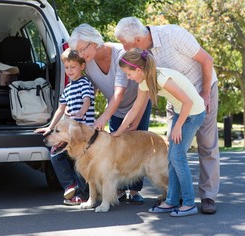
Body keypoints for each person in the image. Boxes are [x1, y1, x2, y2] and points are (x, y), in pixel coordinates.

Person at [115, 17, 220, 214]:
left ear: (138, 40)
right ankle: (173, 198)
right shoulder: (143, 64)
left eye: (124, 44)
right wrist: (120, 131)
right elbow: (137, 106)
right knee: (172, 153)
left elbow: (207, 60)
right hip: (178, 102)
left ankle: (205, 197)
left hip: (199, 96)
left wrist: (205, 94)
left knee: (205, 146)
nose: (123, 48)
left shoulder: (173, 35)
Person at [67, 23, 152, 205]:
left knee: (136, 146)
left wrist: (104, 117)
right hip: (115, 108)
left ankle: (135, 190)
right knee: (117, 149)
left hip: (137, 104)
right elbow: (91, 91)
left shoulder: (120, 53)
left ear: (94, 42)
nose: (81, 55)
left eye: (83, 49)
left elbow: (119, 92)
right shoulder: (88, 64)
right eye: (78, 51)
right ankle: (119, 189)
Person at [35, 48, 94, 205]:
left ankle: (82, 194)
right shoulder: (67, 89)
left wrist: (82, 112)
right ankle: (70, 184)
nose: (69, 71)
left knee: (81, 162)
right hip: (69, 132)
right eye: (66, 68)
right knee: (55, 154)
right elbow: (60, 109)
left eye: (73, 67)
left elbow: (87, 100)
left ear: (82, 66)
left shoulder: (84, 83)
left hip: (83, 132)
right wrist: (50, 128)